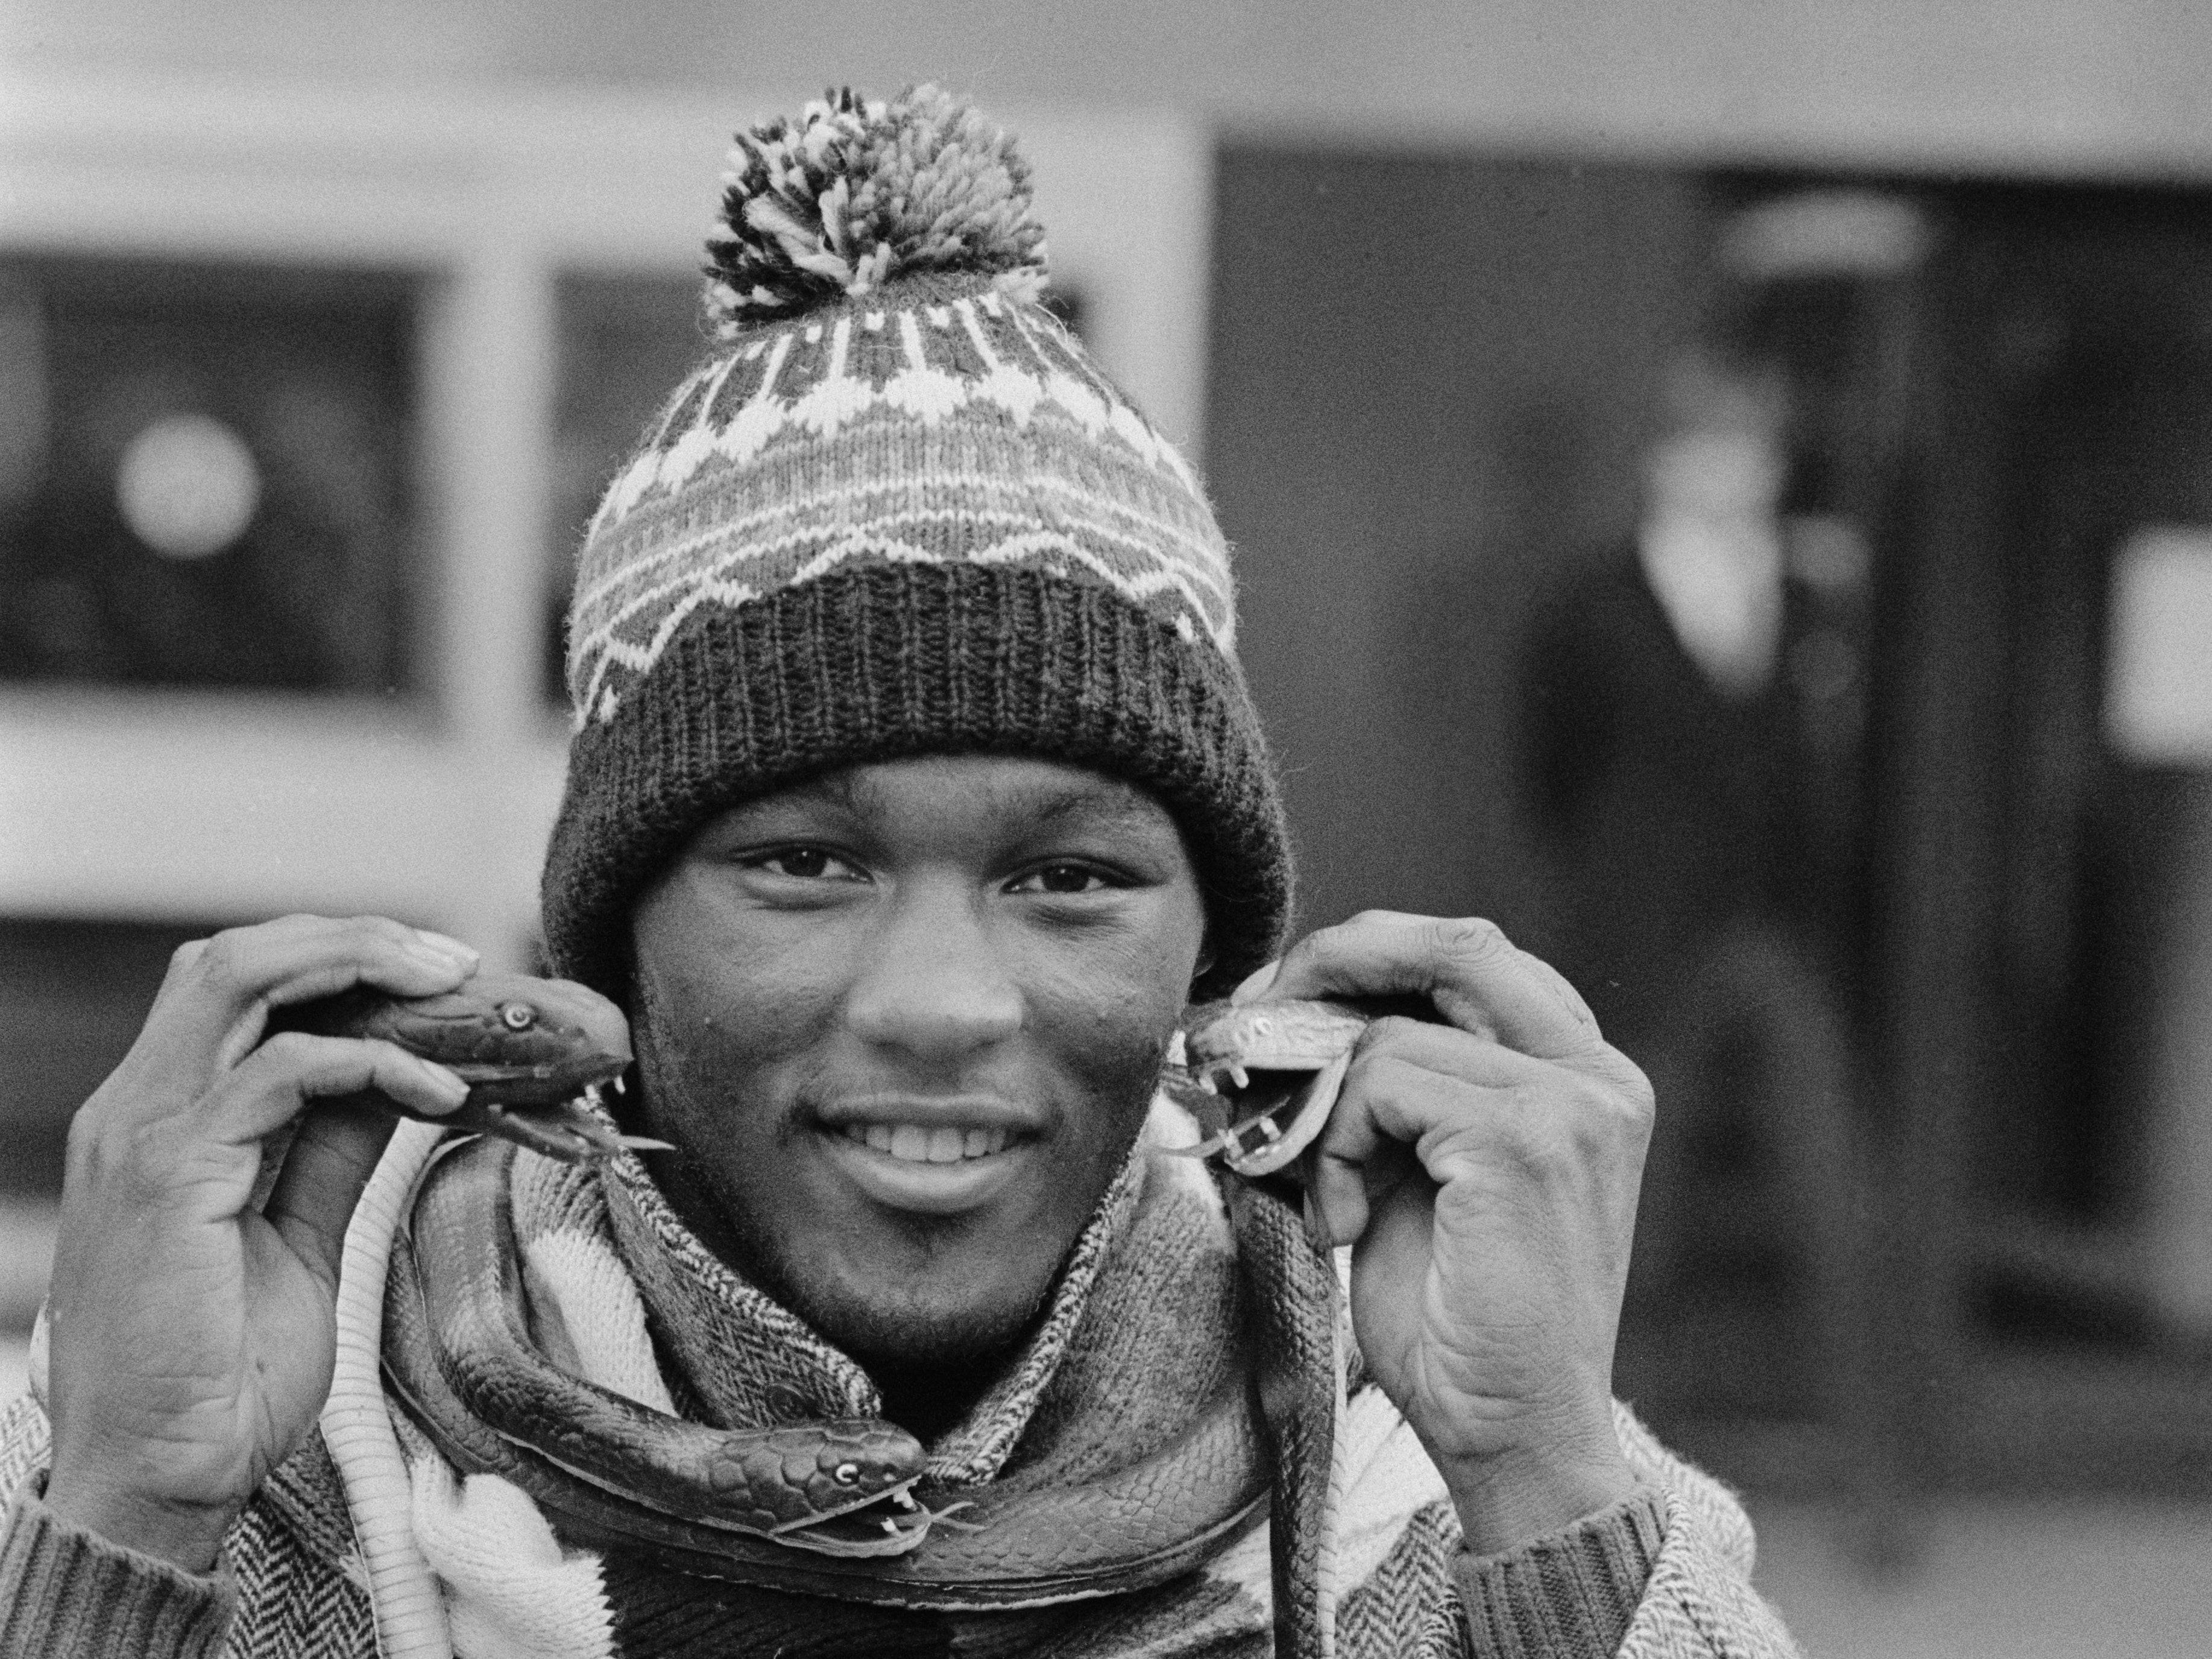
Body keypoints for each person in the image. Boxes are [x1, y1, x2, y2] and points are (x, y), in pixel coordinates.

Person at [0, 87, 1803, 1658]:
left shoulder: (1431, 1487)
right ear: (607, 945)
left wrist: (1543, 1487)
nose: (943, 1006)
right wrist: (127, 1530)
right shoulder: (242, 1422)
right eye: (802, 860)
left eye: (1070, 879)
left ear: (1212, 976)